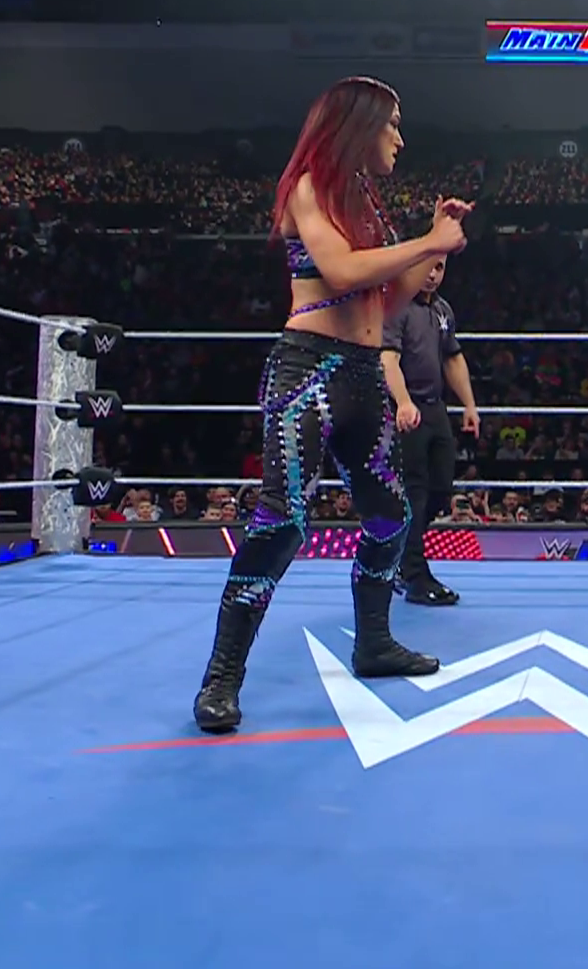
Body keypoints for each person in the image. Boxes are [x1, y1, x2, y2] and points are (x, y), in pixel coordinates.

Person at [193, 76, 471, 734]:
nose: (400, 138)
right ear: (360, 125)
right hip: (309, 372)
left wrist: (436, 241)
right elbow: (342, 272)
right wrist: (428, 243)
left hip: (364, 376)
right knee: (282, 520)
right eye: (392, 123)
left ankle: (373, 642)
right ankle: (221, 678)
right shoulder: (308, 187)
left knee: (391, 517)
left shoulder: (366, 201)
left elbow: (388, 299)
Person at [381, 256, 479, 606]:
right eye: (427, 267)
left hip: (436, 409)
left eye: (439, 267)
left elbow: (452, 357)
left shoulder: (442, 310)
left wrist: (469, 405)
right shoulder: (395, 308)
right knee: (415, 492)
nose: (433, 274)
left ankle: (398, 558)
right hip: (405, 410)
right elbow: (387, 358)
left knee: (441, 488)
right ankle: (415, 575)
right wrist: (403, 402)